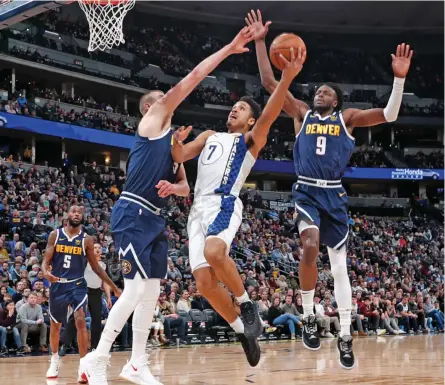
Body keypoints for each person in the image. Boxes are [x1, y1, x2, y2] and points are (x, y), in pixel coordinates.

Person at [81, 26, 255, 385]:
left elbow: (184, 187)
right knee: (132, 290)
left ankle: (137, 363)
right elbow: (192, 78)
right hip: (130, 213)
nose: (170, 103)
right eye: (163, 99)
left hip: (155, 220)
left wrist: (173, 186)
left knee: (152, 292)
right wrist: (228, 49)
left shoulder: (172, 144)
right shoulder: (151, 123)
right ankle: (97, 358)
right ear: (151, 107)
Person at [247, 8, 413, 369]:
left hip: (334, 194)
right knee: (308, 247)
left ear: (335, 99)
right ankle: (308, 315)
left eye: (325, 91)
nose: (319, 93)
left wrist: (398, 80)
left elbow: (390, 115)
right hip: (306, 190)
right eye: (317, 90)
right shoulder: (301, 113)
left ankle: (346, 334)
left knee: (339, 269)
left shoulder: (348, 118)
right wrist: (261, 41)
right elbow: (267, 82)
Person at [172, 39, 305, 367]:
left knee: (215, 253)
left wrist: (285, 78)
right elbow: (180, 156)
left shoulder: (249, 140)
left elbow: (271, 113)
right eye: (236, 107)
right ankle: (243, 330)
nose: (236, 109)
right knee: (204, 284)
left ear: (249, 122)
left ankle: (247, 305)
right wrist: (175, 143)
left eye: (243, 109)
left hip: (224, 203)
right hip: (197, 210)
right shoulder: (206, 136)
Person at [42, 205, 120, 383]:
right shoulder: (55, 235)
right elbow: (45, 262)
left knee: (80, 320)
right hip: (58, 286)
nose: (76, 214)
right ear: (67, 215)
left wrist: (114, 287)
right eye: (73, 211)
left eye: (80, 212)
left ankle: (83, 366)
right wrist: (46, 272)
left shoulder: (87, 239)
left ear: (82, 217)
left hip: (77, 285)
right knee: (55, 326)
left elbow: (96, 267)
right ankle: (54, 360)